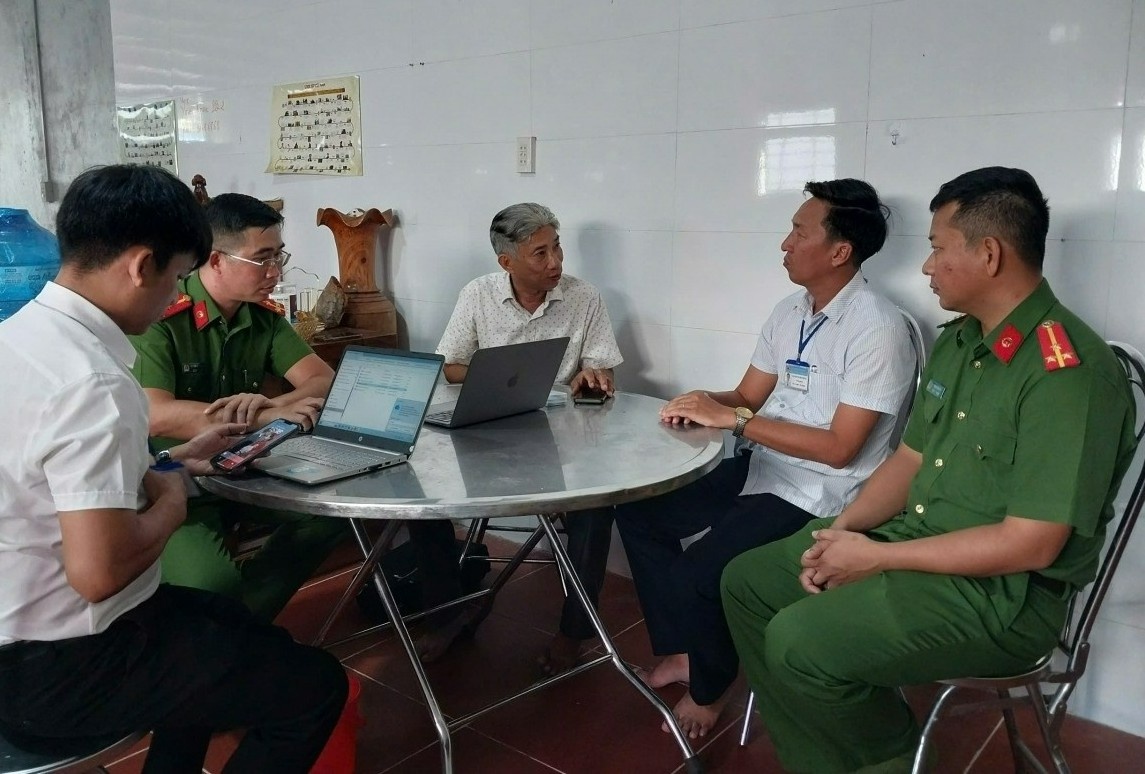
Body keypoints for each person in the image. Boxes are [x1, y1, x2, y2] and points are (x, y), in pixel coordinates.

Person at [721, 167, 1138, 773]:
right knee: (749, 582)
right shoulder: (961, 341)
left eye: (938, 249)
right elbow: (911, 461)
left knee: (799, 641)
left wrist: (874, 557)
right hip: (914, 544)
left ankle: (888, 760)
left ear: (989, 254)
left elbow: (1033, 543)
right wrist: (845, 531)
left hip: (1003, 597)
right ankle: (827, 759)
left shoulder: (1069, 375)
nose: (926, 267)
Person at [0, 164, 347, 772]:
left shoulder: (22, 336)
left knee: (231, 624)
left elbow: (59, 479)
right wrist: (175, 500)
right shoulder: (93, 381)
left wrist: (175, 462)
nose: (176, 294)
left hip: (30, 626)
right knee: (314, 688)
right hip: (62, 663)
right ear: (140, 265)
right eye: (179, 275)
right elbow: (99, 572)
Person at [614, 179, 916, 739]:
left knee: (701, 573)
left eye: (799, 232)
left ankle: (711, 686)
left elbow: (840, 448)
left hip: (824, 491)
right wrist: (696, 403)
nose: (784, 243)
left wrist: (738, 420)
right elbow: (746, 397)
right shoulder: (790, 311)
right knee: (639, 515)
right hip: (765, 468)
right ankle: (686, 650)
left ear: (839, 252)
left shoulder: (878, 328)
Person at [420, 202, 624, 668]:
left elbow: (600, 364)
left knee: (596, 507)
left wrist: (594, 377)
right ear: (506, 261)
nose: (555, 263)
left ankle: (575, 632)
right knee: (424, 496)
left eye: (557, 249)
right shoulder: (478, 294)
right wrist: (491, 376)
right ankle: (446, 613)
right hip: (486, 433)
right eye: (540, 253)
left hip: (563, 440)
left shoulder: (583, 296)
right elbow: (449, 365)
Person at [130, 193, 346, 621]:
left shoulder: (261, 317)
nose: (276, 270)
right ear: (215, 260)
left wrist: (270, 402)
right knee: (213, 583)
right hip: (175, 479)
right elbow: (157, 412)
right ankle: (232, 624)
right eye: (262, 258)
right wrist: (265, 416)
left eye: (279, 255)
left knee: (329, 517)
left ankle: (240, 626)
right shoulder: (162, 317)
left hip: (247, 466)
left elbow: (322, 380)